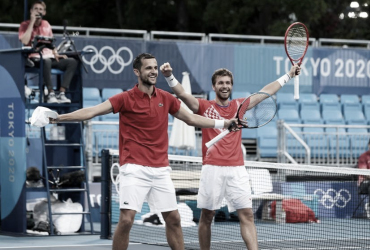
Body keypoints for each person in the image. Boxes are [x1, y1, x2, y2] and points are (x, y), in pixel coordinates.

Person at [49, 53, 237, 250]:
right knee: (127, 219)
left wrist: (224, 123)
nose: (154, 72)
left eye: (155, 68)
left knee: (173, 218)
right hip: (134, 168)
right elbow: (92, 111)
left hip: (161, 170)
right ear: (137, 72)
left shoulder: (166, 98)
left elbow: (191, 119)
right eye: (149, 68)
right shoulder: (124, 98)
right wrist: (59, 118)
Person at [160, 62, 300, 250]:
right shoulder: (204, 106)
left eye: (227, 82)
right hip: (212, 168)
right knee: (207, 216)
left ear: (231, 85)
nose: (224, 86)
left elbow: (265, 92)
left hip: (237, 170)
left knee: (247, 215)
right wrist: (169, 76)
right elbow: (184, 95)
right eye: (220, 83)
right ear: (214, 86)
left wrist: (289, 75)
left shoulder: (239, 106)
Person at [19, 0, 78, 104]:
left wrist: (56, 53)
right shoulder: (24, 25)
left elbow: (51, 42)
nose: (38, 11)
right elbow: (24, 40)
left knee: (72, 62)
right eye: (36, 9)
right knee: (46, 61)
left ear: (44, 12)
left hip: (50, 57)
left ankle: (61, 94)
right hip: (35, 58)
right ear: (31, 11)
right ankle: (51, 94)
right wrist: (32, 22)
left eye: (40, 9)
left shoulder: (46, 24)